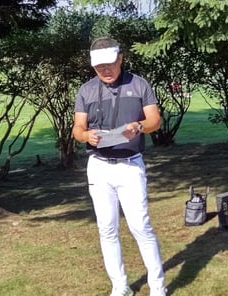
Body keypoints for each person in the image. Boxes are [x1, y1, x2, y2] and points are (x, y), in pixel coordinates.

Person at [72, 37, 167, 296]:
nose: (105, 69)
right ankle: (120, 286)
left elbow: (154, 120)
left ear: (120, 58)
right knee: (107, 228)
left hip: (130, 165)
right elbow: (78, 128)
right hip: (99, 167)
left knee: (141, 226)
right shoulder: (86, 90)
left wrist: (139, 126)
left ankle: (158, 287)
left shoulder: (139, 84)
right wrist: (86, 136)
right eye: (99, 66)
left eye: (110, 63)